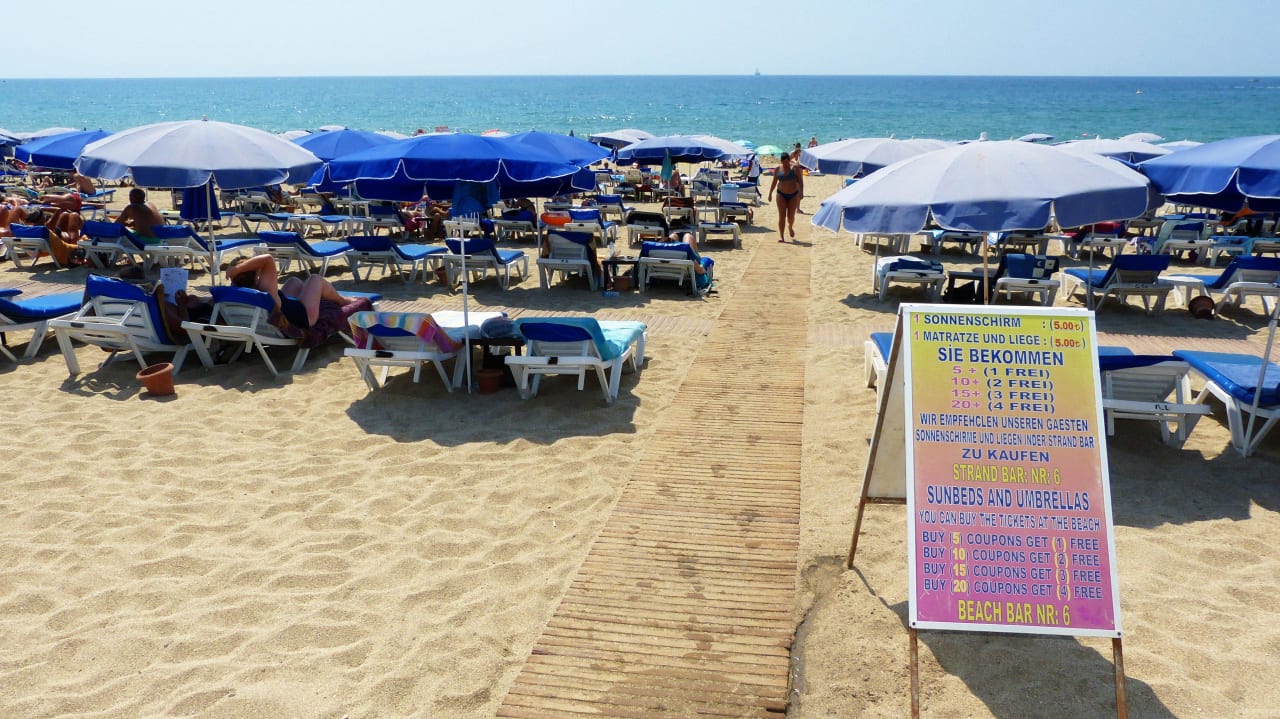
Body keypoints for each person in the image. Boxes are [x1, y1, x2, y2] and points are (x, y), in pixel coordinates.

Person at [225, 254, 372, 346]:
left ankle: (324, 297)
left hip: (281, 312)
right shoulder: (265, 289)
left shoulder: (236, 292)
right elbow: (268, 259)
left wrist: (236, 272)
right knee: (315, 279)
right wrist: (238, 269)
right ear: (256, 274)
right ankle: (343, 301)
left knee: (294, 281)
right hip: (304, 317)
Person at [767, 153, 804, 242]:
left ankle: (790, 227)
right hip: (781, 195)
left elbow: (800, 181)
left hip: (793, 195)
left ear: (789, 160)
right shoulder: (777, 169)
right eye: (783, 162)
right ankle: (782, 236)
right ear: (781, 161)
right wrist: (770, 193)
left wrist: (801, 193)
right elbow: (774, 182)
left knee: (790, 217)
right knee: (782, 216)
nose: (785, 164)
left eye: (787, 162)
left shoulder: (795, 169)